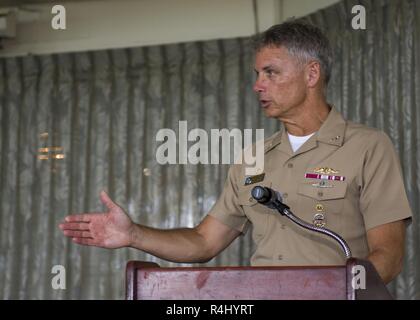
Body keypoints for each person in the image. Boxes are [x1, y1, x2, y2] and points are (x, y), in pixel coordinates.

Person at [59, 21, 412, 284]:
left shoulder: (368, 146)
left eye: (271, 72)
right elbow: (202, 242)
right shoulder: (253, 159)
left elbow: (389, 256)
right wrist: (134, 234)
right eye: (257, 73)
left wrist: (330, 290)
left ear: (312, 74)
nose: (258, 84)